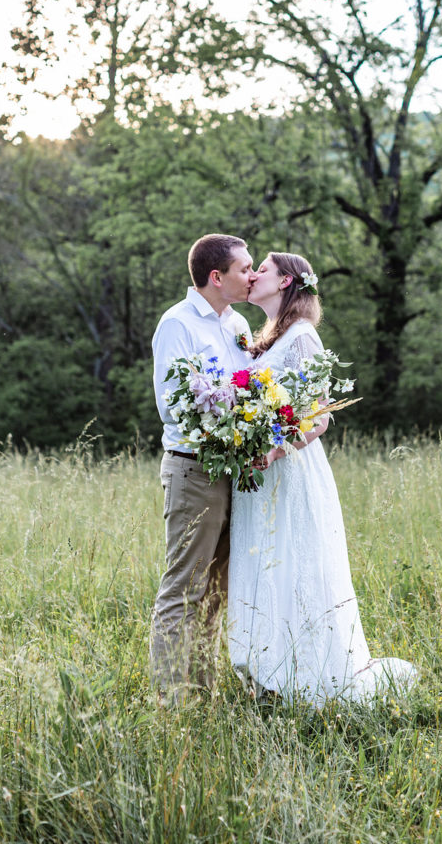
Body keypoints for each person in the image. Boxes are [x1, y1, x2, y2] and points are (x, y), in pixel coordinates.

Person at [228, 251, 418, 706]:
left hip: (289, 470)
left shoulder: (302, 336)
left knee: (295, 565)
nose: (253, 276)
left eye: (264, 270)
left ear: (287, 281)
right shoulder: (265, 339)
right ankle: (268, 677)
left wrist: (273, 450)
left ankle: (312, 673)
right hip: (260, 476)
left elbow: (319, 419)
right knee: (263, 566)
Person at [150, 233, 254, 701]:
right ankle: (174, 701)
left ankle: (203, 690)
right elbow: (174, 406)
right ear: (217, 276)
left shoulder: (238, 325)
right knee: (184, 588)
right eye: (244, 268)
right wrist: (231, 419)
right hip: (194, 470)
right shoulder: (177, 324)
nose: (251, 275)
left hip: (237, 473)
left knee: (218, 590)